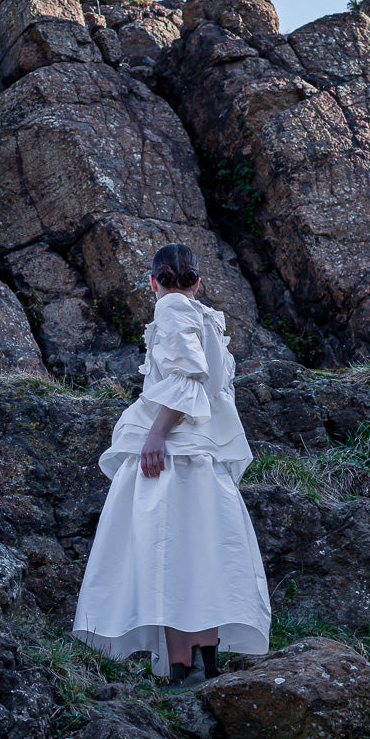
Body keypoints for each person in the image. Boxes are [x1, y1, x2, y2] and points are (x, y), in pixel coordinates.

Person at [71, 243, 271, 686]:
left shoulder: (173, 309)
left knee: (169, 556)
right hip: (203, 454)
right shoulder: (207, 317)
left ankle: (183, 672)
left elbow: (188, 376)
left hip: (177, 455)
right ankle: (203, 665)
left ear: (152, 282)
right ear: (199, 281)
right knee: (201, 554)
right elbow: (216, 387)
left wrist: (156, 434)